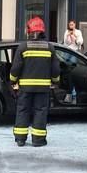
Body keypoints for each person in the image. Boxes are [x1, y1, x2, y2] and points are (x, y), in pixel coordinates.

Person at [10, 16, 60, 147]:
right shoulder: (50, 47)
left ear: (29, 31)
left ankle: (20, 139)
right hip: (43, 88)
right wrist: (55, 81)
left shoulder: (23, 47)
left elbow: (15, 68)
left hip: (25, 88)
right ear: (42, 31)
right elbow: (55, 69)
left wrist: (12, 81)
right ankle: (38, 140)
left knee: (22, 110)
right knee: (40, 111)